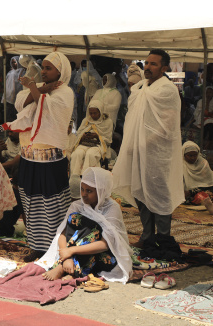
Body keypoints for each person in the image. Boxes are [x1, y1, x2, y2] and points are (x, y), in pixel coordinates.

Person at [3, 51, 74, 262]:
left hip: (51, 160)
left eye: (49, 68)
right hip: (28, 156)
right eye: (42, 67)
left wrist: (35, 89)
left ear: (61, 71)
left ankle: (54, 246)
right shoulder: (40, 89)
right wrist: (39, 89)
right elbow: (21, 104)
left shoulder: (65, 93)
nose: (43, 71)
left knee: (51, 203)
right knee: (30, 201)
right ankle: (36, 245)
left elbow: (49, 111)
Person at [112, 49, 183, 248]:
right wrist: (132, 145)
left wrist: (143, 143)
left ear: (164, 67)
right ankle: (147, 236)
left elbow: (166, 125)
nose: (148, 67)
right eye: (147, 63)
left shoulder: (167, 90)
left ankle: (163, 238)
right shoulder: (141, 88)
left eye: (153, 64)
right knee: (140, 191)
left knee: (159, 194)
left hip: (157, 153)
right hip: (137, 150)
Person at [37, 167, 132, 283]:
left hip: (103, 256)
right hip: (73, 252)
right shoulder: (77, 205)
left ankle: (62, 268)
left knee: (94, 228)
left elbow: (104, 244)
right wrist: (66, 254)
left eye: (89, 191)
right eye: (82, 189)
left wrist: (72, 251)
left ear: (101, 192)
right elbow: (62, 234)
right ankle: (73, 269)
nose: (83, 194)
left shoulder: (111, 208)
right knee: (74, 218)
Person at [70, 100, 113, 176]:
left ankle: (88, 177)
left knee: (90, 154)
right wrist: (83, 136)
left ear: (100, 111)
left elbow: (108, 140)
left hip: (98, 145)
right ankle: (75, 177)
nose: (92, 115)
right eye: (91, 113)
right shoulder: (86, 120)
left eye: (95, 113)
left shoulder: (107, 122)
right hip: (85, 143)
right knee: (77, 154)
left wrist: (97, 136)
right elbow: (78, 134)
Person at [2, 56, 25, 121]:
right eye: (12, 62)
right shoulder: (10, 73)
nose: (13, 64)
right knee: (9, 116)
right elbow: (6, 85)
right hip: (9, 98)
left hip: (18, 98)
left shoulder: (23, 72)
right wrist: (4, 97)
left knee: (17, 116)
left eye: (15, 62)